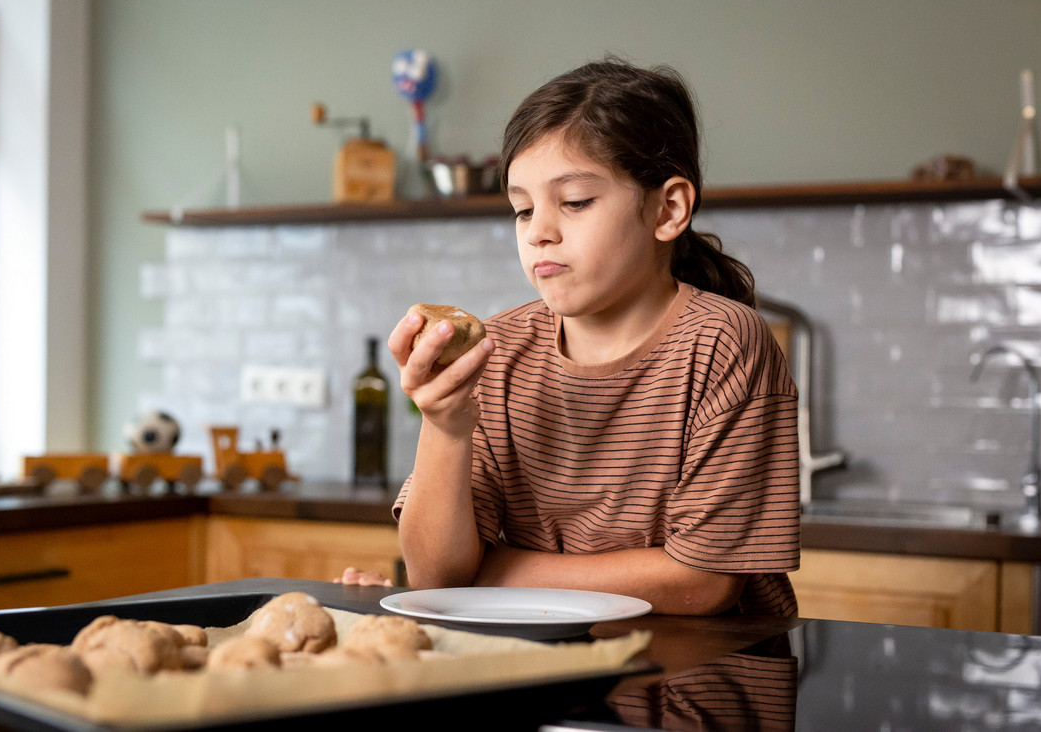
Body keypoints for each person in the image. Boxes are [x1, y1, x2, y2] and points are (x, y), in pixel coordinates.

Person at [340, 58, 800, 616]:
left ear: (668, 208)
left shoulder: (725, 343)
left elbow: (700, 584)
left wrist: (487, 575)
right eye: (522, 209)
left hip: (699, 681)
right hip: (541, 681)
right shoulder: (499, 349)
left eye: (575, 202)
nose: (538, 232)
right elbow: (434, 574)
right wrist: (445, 424)